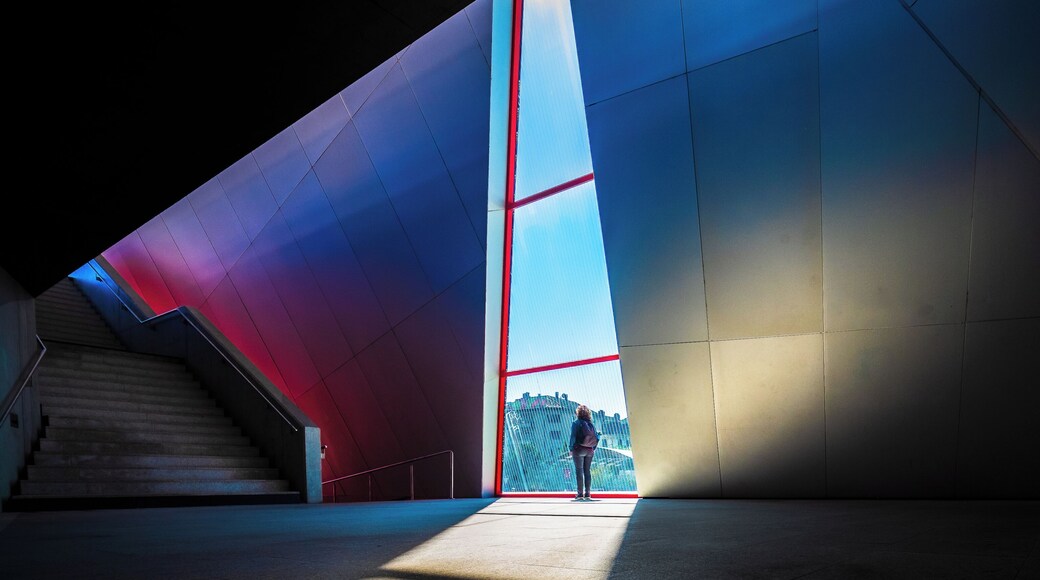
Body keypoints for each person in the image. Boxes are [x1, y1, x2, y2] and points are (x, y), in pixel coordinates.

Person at [568, 404, 598, 501]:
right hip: (590, 450)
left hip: (578, 450)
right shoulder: (591, 424)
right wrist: (593, 448)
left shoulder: (576, 423)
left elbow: (573, 437)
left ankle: (580, 494)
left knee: (579, 471)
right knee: (587, 471)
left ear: (578, 413)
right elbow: (596, 437)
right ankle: (588, 494)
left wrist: (571, 449)